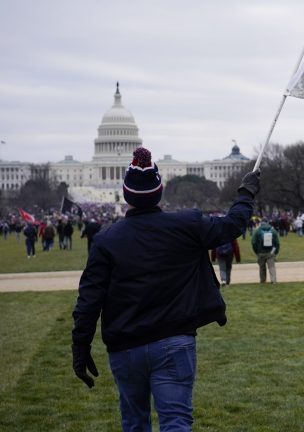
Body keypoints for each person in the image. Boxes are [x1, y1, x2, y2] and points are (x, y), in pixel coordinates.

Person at [71, 147, 259, 431]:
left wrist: (80, 346)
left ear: (126, 193)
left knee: (135, 423)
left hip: (126, 345)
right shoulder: (186, 225)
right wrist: (245, 194)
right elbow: (233, 224)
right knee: (176, 423)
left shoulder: (107, 239)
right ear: (159, 191)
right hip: (174, 340)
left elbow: (89, 300)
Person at [252, 219, 280, 284]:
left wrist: (257, 251)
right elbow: (277, 243)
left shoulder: (257, 231)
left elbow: (254, 242)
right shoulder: (273, 231)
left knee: (262, 267)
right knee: (271, 267)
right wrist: (274, 252)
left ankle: (263, 280)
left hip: (260, 252)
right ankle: (273, 280)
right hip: (271, 252)